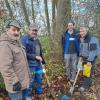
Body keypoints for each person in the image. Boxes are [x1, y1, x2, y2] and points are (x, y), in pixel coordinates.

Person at [0, 19, 31, 100]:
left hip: (23, 82)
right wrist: (14, 82)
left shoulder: (18, 42)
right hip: (15, 85)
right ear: (7, 30)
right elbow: (5, 67)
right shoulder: (4, 45)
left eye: (18, 30)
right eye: (14, 30)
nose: (16, 32)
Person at [21, 24, 45, 99]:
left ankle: (39, 91)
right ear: (29, 30)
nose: (34, 32)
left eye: (36, 30)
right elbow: (23, 53)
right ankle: (27, 95)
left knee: (39, 77)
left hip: (39, 65)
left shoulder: (37, 40)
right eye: (33, 30)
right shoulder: (24, 40)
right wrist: (35, 57)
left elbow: (40, 53)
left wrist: (43, 63)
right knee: (30, 80)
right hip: (30, 65)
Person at [79, 26, 100, 92]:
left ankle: (85, 86)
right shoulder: (82, 38)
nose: (81, 33)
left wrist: (89, 61)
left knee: (87, 71)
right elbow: (81, 48)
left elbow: (93, 51)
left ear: (87, 31)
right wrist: (81, 56)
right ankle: (89, 82)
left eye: (83, 31)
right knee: (85, 71)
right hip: (85, 57)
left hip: (92, 57)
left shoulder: (93, 38)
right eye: (80, 31)